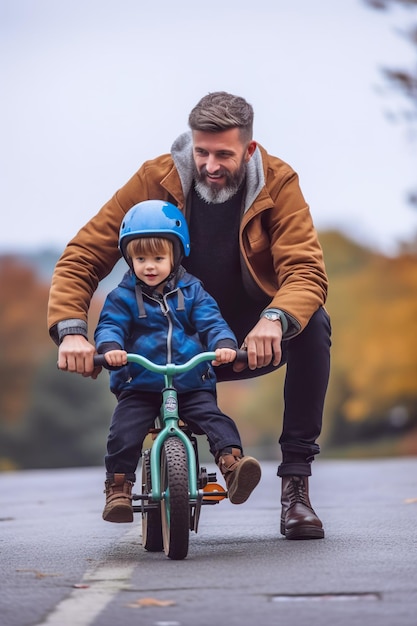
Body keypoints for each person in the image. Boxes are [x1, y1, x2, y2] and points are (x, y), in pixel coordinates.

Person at [49, 91, 331, 540]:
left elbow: (306, 271)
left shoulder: (277, 182)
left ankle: (296, 487)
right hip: (163, 332)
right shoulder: (155, 179)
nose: (211, 165)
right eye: (202, 152)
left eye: (224, 154)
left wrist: (274, 319)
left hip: (239, 338)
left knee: (313, 323)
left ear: (250, 149)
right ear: (190, 144)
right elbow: (83, 255)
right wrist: (71, 331)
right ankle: (126, 482)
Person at [95, 199, 261, 522]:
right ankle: (118, 489)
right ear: (129, 258)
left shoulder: (193, 290)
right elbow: (110, 325)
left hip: (188, 382)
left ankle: (233, 467)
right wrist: (111, 348)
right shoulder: (122, 296)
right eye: (140, 258)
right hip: (140, 383)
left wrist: (224, 345)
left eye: (158, 257)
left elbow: (211, 321)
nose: (150, 266)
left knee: (215, 420)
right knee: (122, 433)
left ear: (176, 255)